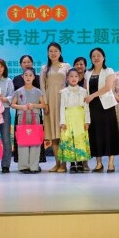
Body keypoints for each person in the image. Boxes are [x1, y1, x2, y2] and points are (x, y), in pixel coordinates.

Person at [84, 47, 119, 173]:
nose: (96, 58)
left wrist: (92, 96)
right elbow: (86, 90)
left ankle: (111, 162)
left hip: (106, 106)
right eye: (93, 56)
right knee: (95, 133)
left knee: (109, 133)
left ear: (103, 57)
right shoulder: (88, 73)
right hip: (92, 106)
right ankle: (99, 163)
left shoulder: (109, 70)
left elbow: (108, 87)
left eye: (98, 55)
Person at [40, 42, 71, 172]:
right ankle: (57, 163)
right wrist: (45, 104)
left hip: (64, 102)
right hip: (50, 103)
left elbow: (71, 83)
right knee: (53, 135)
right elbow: (42, 87)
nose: (53, 53)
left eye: (56, 51)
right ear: (48, 53)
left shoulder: (66, 66)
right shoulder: (44, 68)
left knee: (63, 133)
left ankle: (64, 164)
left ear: (60, 52)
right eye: (51, 51)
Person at [12, 54, 45, 169]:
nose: (28, 77)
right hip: (22, 117)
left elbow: (43, 105)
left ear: (34, 77)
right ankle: (23, 166)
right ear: (22, 77)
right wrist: (22, 107)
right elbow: (13, 104)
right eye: (26, 75)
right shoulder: (18, 91)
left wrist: (34, 105)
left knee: (35, 140)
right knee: (23, 140)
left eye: (30, 75)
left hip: (35, 116)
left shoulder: (38, 91)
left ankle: (34, 166)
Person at [58, 69, 91, 173]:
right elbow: (62, 107)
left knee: (79, 138)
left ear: (79, 78)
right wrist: (62, 122)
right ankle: (72, 163)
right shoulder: (64, 92)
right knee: (69, 138)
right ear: (67, 78)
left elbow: (86, 107)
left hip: (80, 118)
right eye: (71, 76)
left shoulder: (84, 91)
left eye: (76, 76)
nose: (73, 78)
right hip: (68, 117)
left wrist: (87, 121)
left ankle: (80, 162)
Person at [0, 58, 14, 173]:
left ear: (4, 68)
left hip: (4, 111)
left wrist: (4, 98)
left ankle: (5, 165)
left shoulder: (8, 81)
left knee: (6, 138)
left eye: (1, 66)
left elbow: (12, 96)